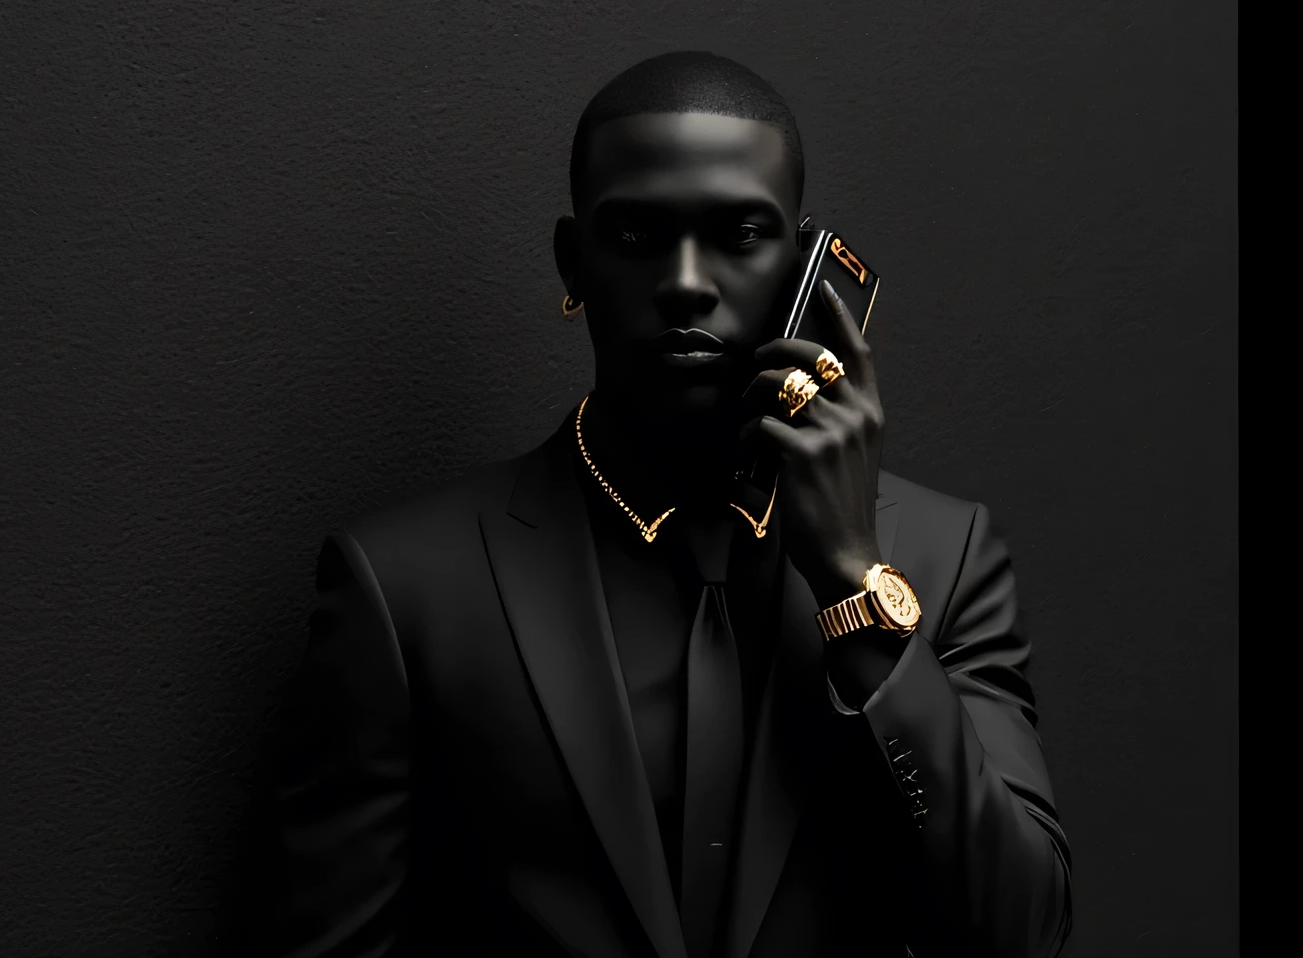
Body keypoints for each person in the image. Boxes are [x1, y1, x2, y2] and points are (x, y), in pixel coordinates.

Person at [270, 52, 1072, 958]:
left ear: (802, 263)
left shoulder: (946, 556)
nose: (688, 280)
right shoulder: (405, 586)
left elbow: (1024, 933)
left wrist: (855, 583)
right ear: (574, 264)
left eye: (739, 232)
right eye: (637, 236)